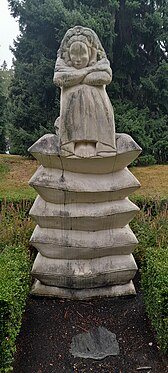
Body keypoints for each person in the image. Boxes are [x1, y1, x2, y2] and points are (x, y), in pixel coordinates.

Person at [53, 26, 116, 158]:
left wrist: (75, 77)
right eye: (74, 54)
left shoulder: (101, 62)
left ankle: (99, 143)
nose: (78, 59)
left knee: (91, 91)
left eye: (82, 54)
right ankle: (73, 142)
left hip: (97, 106)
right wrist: (88, 72)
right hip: (71, 106)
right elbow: (59, 79)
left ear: (91, 53)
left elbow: (105, 77)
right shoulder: (62, 64)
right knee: (74, 92)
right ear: (68, 54)